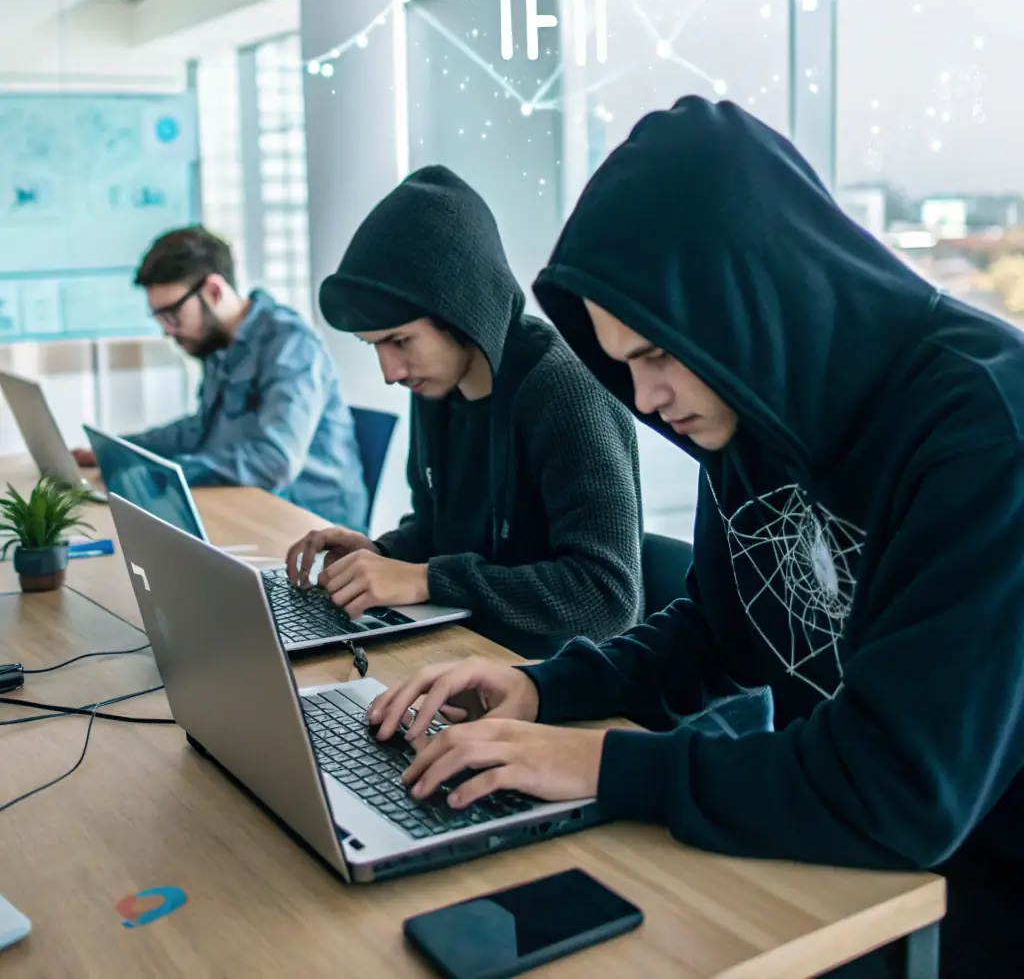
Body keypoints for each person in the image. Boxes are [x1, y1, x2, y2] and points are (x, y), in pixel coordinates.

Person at [366, 99, 1024, 979]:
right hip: (829, 868)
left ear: (751, 301)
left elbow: (902, 791)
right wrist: (543, 689)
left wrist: (603, 763)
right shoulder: (755, 407)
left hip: (968, 901)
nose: (643, 399)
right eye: (626, 362)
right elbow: (719, 631)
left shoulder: (985, 433)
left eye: (656, 355)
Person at [284, 165, 643, 659]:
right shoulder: (436, 385)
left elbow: (606, 596)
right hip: (469, 652)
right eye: (374, 346)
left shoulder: (565, 391)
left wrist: (426, 580)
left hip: (556, 673)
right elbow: (439, 530)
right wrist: (383, 554)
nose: (390, 372)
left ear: (460, 314)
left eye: (400, 341)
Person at [74, 226, 368, 530]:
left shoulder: (290, 344)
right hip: (249, 506)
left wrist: (164, 474)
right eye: (160, 317)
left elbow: (273, 461)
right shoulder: (217, 345)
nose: (167, 330)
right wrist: (121, 451)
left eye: (172, 313)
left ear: (214, 291)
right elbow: (200, 429)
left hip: (311, 523)